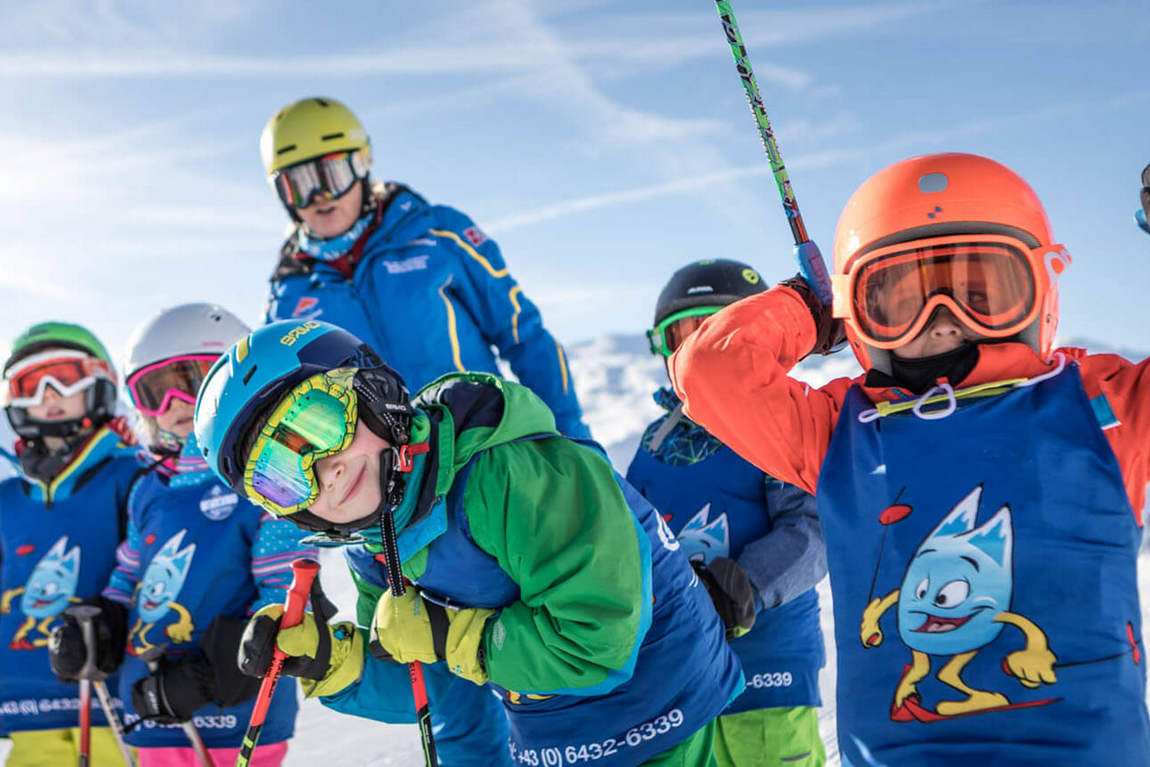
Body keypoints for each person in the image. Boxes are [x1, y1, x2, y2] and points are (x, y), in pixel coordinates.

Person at [671, 152, 1150, 764]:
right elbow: (713, 372)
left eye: (982, 293)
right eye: (902, 300)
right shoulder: (842, 433)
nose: (944, 320)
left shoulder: (1101, 406)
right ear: (859, 314)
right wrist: (807, 307)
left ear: (1039, 289)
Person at [192, 318, 745, 766]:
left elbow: (598, 643)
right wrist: (330, 660)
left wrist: (447, 634)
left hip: (659, 709)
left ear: (371, 388)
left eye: (318, 424)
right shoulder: (374, 547)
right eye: (282, 476)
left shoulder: (509, 472)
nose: (323, 471)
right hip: (552, 729)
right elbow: (432, 685)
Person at [49, 304, 315, 767]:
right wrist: (103, 621)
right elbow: (131, 571)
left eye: (191, 382)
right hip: (150, 703)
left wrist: (216, 674)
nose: (173, 405)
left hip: (238, 715)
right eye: (155, 391)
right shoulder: (151, 487)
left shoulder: (267, 476)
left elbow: (287, 592)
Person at [259, 96, 590, 441]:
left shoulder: (438, 234)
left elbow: (525, 337)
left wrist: (573, 440)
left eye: (332, 175)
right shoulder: (287, 296)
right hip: (387, 484)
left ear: (361, 165)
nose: (320, 196)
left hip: (483, 450)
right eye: (299, 185)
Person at [627, 259, 826, 767]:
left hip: (766, 665)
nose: (695, 348)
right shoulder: (656, 442)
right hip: (680, 670)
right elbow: (631, 540)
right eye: (681, 335)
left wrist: (739, 587)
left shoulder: (777, 424)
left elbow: (812, 531)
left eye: (712, 331)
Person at [0, 322, 140, 766]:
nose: (48, 394)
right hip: (26, 708)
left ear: (99, 381)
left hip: (117, 708)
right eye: (30, 383)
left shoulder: (135, 476)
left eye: (64, 376)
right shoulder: (6, 500)